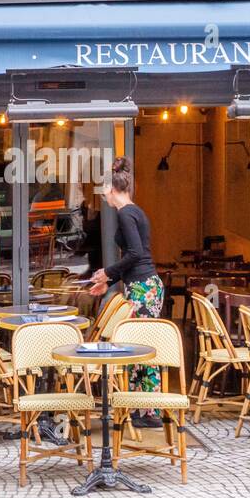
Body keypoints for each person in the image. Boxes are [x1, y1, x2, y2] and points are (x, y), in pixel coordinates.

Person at [89, 155, 163, 427]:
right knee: (135, 345)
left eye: (103, 190)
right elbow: (134, 256)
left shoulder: (125, 213)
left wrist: (108, 273)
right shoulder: (134, 211)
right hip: (143, 284)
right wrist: (108, 281)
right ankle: (140, 408)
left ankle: (151, 412)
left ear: (111, 189)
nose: (103, 195)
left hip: (144, 287)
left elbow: (135, 253)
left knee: (141, 347)